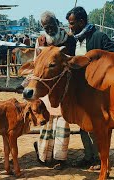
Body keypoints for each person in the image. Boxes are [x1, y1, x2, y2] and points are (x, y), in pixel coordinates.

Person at [66, 6, 114, 170]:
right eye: (69, 24)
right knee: (82, 123)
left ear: (82, 22)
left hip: (97, 91)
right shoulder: (73, 40)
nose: (70, 27)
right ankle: (88, 156)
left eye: (73, 23)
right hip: (80, 90)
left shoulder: (99, 37)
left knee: (97, 125)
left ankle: (99, 159)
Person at [26, 11, 76, 170]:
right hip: (45, 87)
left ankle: (60, 158)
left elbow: (73, 61)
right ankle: (44, 156)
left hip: (64, 88)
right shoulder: (40, 41)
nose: (49, 29)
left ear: (57, 22)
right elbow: (36, 64)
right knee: (46, 122)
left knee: (63, 122)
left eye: (51, 25)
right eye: (45, 27)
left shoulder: (69, 39)